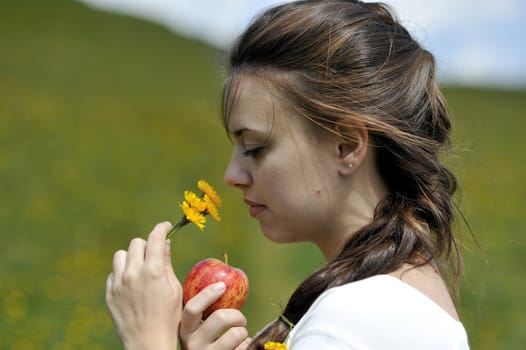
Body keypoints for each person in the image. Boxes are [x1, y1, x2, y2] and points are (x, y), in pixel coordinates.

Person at [105, 0, 470, 349]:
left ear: (346, 146)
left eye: (255, 147)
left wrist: (147, 342)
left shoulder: (354, 321)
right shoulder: (399, 304)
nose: (232, 175)